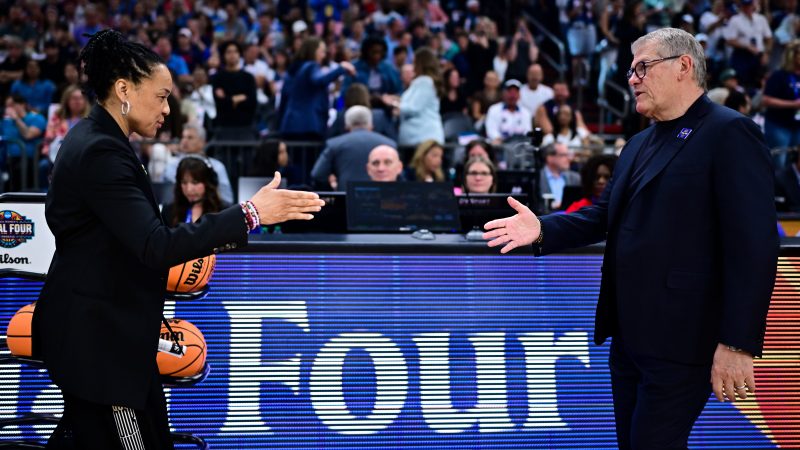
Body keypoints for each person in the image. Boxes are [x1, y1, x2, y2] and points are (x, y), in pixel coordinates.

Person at [484, 28, 777, 449]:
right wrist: (544, 229)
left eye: (643, 66)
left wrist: (737, 343)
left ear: (683, 66)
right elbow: (605, 215)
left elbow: (754, 245)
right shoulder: (638, 143)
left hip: (684, 341)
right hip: (629, 339)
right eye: (631, 69)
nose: (633, 78)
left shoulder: (730, 132)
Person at [32, 29, 324, 450]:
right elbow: (156, 246)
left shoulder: (96, 140)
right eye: (162, 96)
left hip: (99, 334)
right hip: (100, 344)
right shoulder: (101, 151)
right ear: (123, 89)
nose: (168, 109)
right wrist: (252, 213)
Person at [279, 37, 356, 140]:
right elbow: (320, 81)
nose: (324, 56)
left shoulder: (292, 70)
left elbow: (284, 99)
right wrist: (341, 68)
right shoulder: (311, 66)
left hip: (290, 124)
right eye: (322, 51)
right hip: (308, 126)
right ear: (313, 51)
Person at [312, 105, 397, 190]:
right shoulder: (389, 144)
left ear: (346, 125)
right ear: (371, 124)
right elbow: (399, 173)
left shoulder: (334, 144)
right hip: (382, 196)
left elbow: (317, 174)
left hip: (346, 197)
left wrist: (331, 190)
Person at [165, 123, 234, 204]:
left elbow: (227, 199)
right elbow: (168, 196)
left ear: (202, 142)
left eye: (190, 137)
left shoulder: (217, 166)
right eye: (183, 137)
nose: (184, 141)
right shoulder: (172, 165)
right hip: (178, 210)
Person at [762, 40, 800, 169]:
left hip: (797, 126)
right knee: (779, 163)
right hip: (779, 125)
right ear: (792, 56)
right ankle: (777, 189)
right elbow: (766, 100)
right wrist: (792, 104)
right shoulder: (779, 76)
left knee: (795, 163)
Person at [398, 47, 445, 147]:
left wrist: (394, 104)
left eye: (414, 62)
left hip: (424, 139)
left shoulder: (425, 81)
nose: (413, 65)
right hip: (419, 139)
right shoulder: (422, 81)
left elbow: (412, 108)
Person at [162, 156, 227, 226]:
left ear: (207, 183)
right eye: (184, 183)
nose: (189, 189)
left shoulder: (223, 211)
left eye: (195, 182)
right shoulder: (168, 211)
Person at [538, 142, 581, 210]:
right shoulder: (536, 178)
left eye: (568, 155)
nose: (569, 159)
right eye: (564, 155)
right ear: (550, 158)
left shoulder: (576, 178)